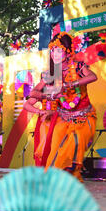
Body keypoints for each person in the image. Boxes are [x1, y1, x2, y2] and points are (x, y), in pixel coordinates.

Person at [26, 32, 97, 182]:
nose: (54, 54)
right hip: (63, 119)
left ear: (68, 51)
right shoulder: (50, 74)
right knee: (56, 147)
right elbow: (33, 93)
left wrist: (69, 84)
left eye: (59, 50)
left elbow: (93, 77)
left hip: (84, 117)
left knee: (74, 141)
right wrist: (50, 96)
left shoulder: (78, 67)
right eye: (52, 50)